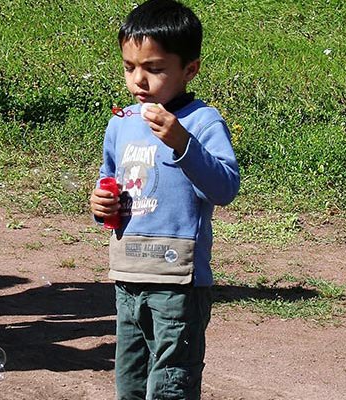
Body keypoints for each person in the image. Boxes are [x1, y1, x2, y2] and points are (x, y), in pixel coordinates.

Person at [88, 1, 240, 398]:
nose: (139, 80)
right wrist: (101, 206)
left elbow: (224, 188)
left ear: (189, 69)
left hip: (176, 281)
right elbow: (111, 181)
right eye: (129, 67)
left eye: (154, 69)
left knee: (170, 384)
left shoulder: (201, 121)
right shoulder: (121, 123)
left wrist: (182, 143)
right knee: (130, 383)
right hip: (127, 274)